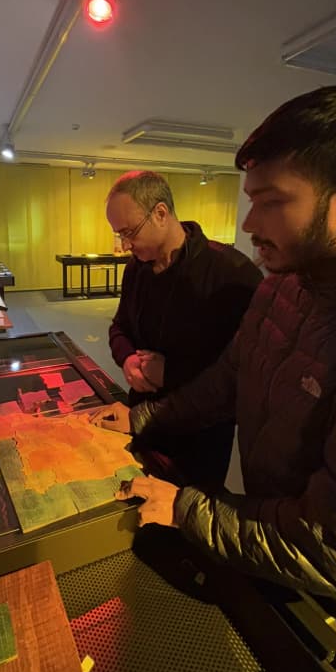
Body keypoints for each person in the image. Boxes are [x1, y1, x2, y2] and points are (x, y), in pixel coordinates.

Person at [91, 85, 336, 672]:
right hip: (274, 560)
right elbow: (224, 382)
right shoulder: (286, 282)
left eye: (271, 202)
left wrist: (187, 507)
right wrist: (141, 418)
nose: (247, 223)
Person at [105, 170, 262, 485]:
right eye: (118, 234)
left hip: (199, 435)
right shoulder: (137, 267)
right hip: (141, 419)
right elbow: (119, 326)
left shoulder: (232, 273)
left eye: (129, 232)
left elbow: (239, 374)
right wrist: (128, 360)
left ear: (161, 213)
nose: (123, 246)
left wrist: (172, 372)